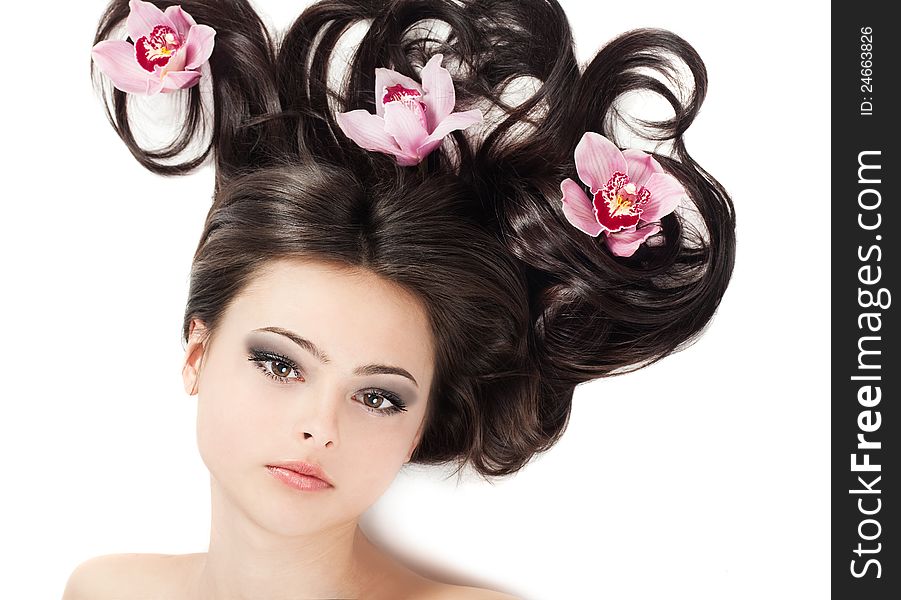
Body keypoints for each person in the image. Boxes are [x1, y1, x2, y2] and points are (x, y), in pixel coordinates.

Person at [65, 0, 736, 598]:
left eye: (378, 396)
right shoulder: (102, 588)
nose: (319, 428)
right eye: (280, 364)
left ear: (420, 424)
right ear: (197, 353)